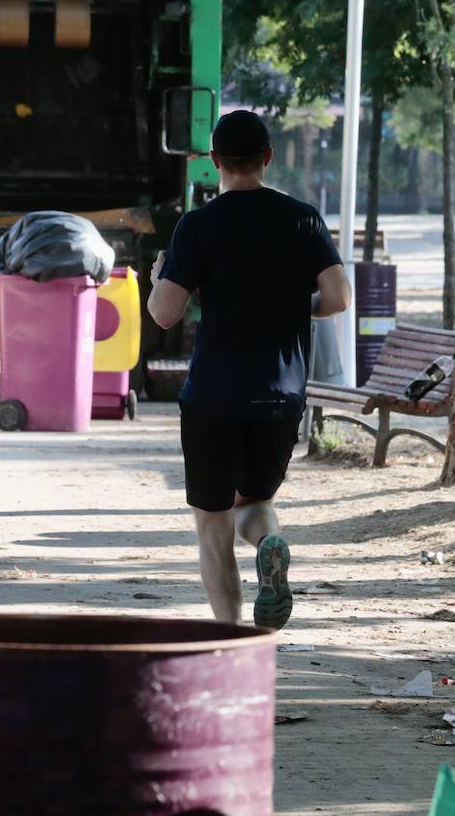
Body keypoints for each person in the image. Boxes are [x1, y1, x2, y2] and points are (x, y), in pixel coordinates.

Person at [147, 110, 351, 630]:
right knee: (255, 502)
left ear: (215, 161)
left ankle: (233, 640)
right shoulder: (302, 218)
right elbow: (338, 298)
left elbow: (165, 313)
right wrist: (283, 304)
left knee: (212, 527)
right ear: (267, 158)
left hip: (214, 396)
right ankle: (269, 543)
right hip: (280, 396)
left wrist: (158, 279)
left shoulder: (197, 226)